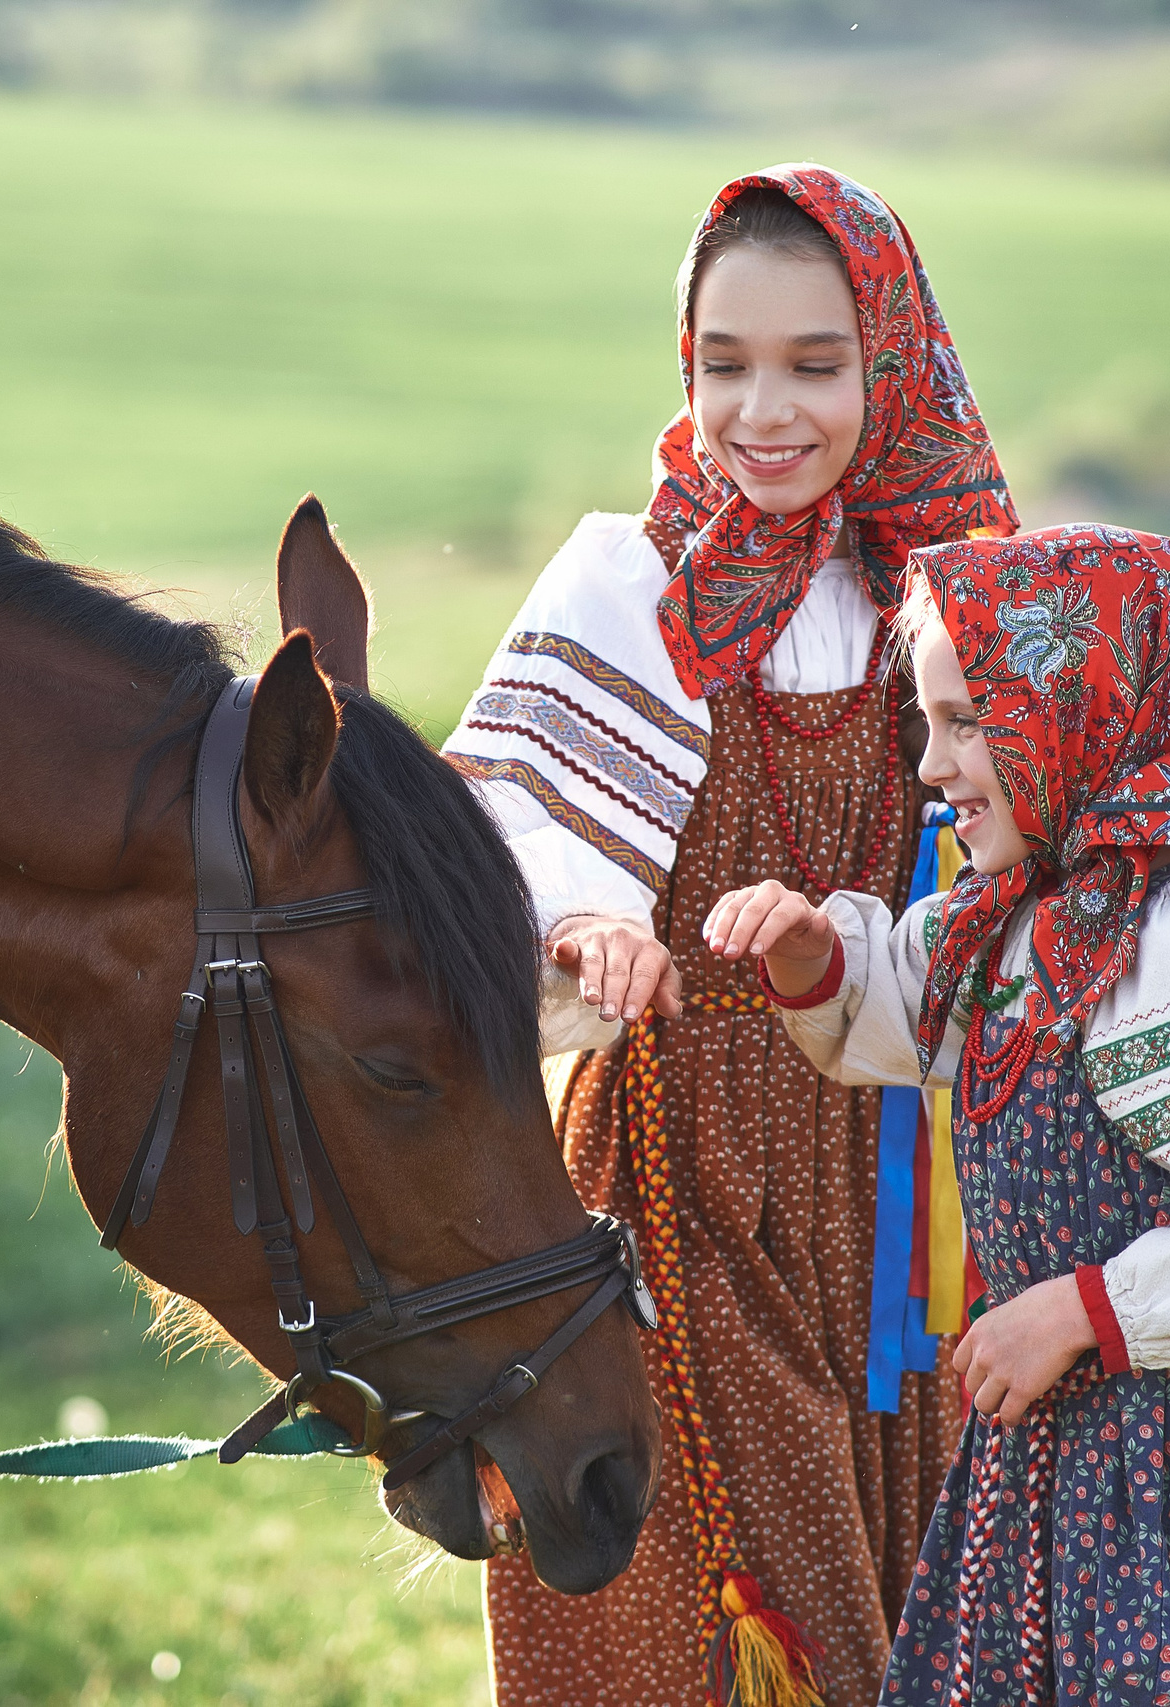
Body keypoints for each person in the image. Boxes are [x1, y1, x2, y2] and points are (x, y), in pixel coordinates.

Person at [444, 164, 1017, 1707]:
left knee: (916, 1567)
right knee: (765, 1595)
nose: (761, 409)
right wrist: (585, 921)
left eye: (814, 365)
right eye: (723, 363)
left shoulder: (939, 594)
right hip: (683, 1153)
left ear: (889, 364)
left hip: (892, 1165)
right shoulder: (630, 584)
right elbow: (500, 818)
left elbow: (1015, 845)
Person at [702, 522, 1170, 1706]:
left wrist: (1089, 1309)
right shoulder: (1011, 919)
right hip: (1058, 1469)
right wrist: (807, 952)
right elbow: (896, 1000)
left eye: (967, 723)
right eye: (926, 723)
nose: (931, 766)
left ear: (1083, 706)